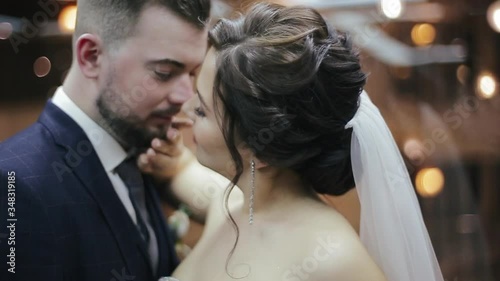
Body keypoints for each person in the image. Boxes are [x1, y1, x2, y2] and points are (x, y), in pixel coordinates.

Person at [141, 3, 445, 281]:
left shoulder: (335, 259)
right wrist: (174, 163)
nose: (185, 112)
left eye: (201, 110)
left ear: (260, 149)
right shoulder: (232, 202)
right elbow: (182, 173)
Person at [0, 0, 210, 280]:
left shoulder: (140, 145)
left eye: (193, 73)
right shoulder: (16, 184)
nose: (185, 96)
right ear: (91, 56)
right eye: (164, 73)